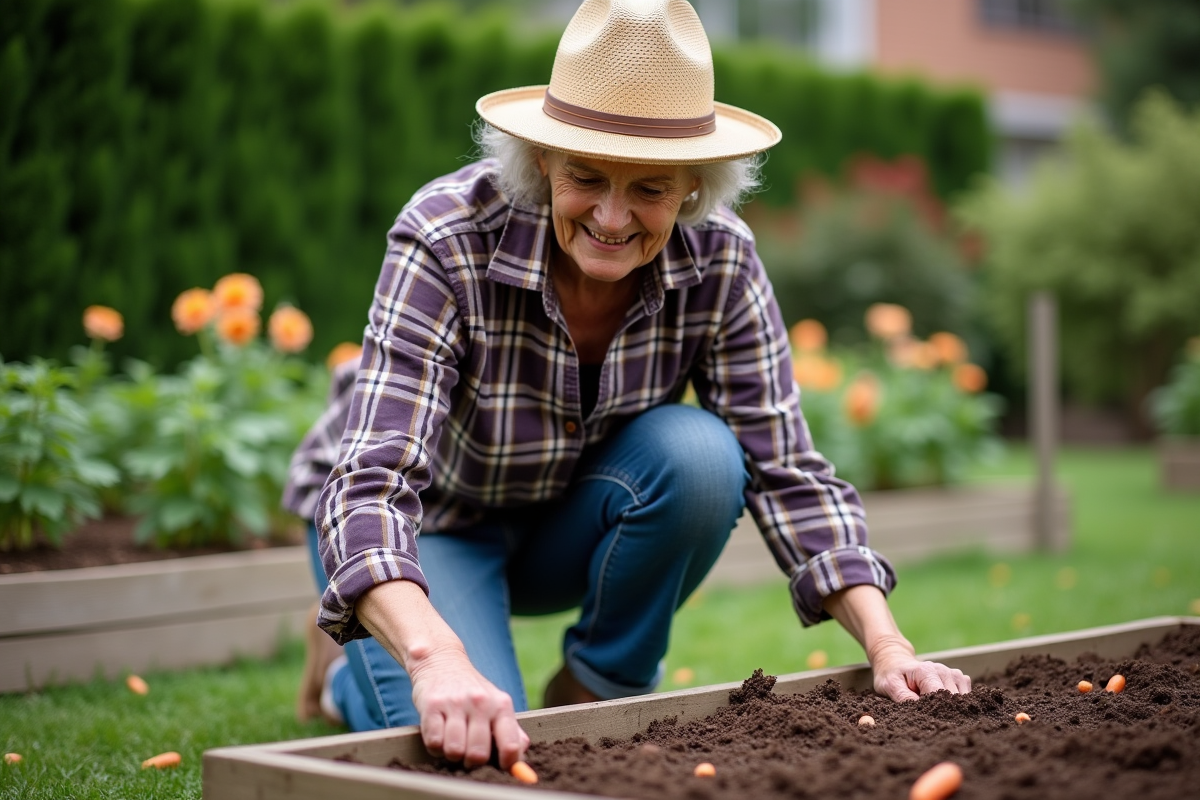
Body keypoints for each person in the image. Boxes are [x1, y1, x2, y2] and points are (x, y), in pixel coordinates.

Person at [283, 0, 971, 772]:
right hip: (430, 525)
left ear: (692, 184)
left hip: (565, 520)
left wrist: (888, 645)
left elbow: (786, 470)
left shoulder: (722, 261)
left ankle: (592, 687)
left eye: (649, 187)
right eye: (585, 177)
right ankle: (352, 674)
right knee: (473, 743)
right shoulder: (446, 236)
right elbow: (371, 480)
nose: (612, 217)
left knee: (703, 458)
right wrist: (435, 656)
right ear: (542, 159)